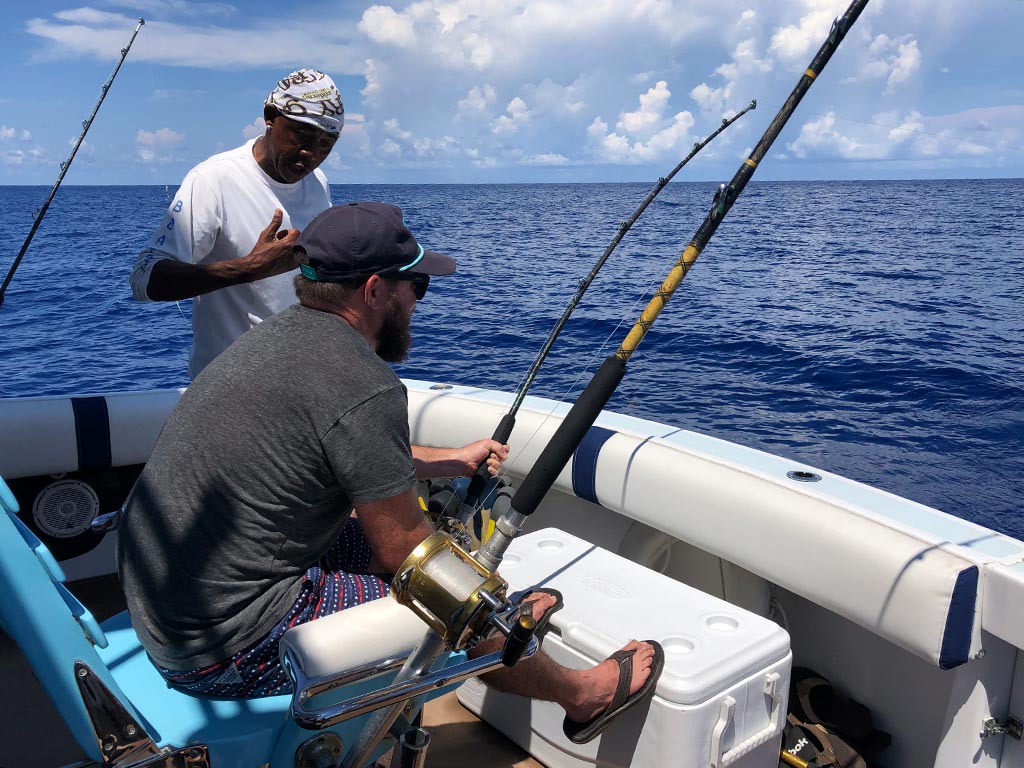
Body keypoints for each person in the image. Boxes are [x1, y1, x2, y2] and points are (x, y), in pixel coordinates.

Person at [117, 202, 663, 744]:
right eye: (416, 287)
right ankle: (579, 693)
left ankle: (500, 622)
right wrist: (469, 596)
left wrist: (450, 459)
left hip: (167, 613)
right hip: (227, 648)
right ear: (376, 291)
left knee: (440, 553)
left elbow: (329, 451)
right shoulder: (362, 382)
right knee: (445, 596)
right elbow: (404, 556)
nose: (418, 304)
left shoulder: (272, 343)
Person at [129, 68, 343, 379]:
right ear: (270, 116)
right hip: (227, 390)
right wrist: (248, 268)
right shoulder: (213, 179)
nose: (311, 154)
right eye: (303, 135)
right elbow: (143, 278)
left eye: (326, 143)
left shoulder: (317, 182)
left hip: (301, 383)